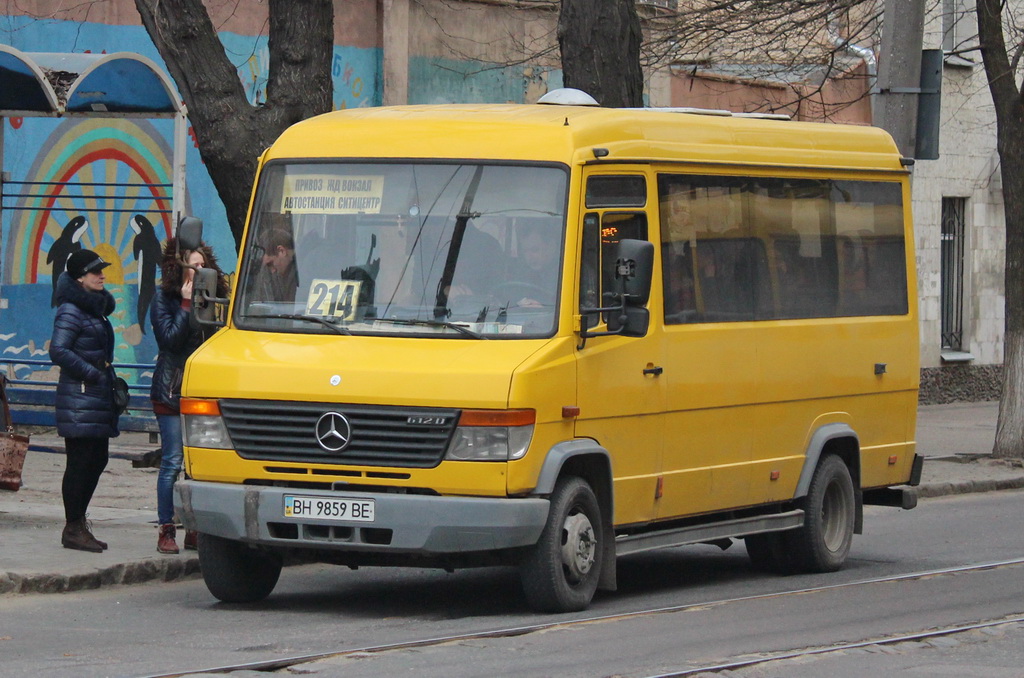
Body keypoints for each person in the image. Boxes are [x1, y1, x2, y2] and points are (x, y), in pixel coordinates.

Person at [150, 238, 229, 554]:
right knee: (172, 460)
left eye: (202, 266)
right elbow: (168, 340)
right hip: (172, 389)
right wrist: (186, 303)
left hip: (205, 391)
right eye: (192, 266)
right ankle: (166, 528)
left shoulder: (216, 298)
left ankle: (195, 527)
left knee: (199, 465)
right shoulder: (165, 298)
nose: (198, 272)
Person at [49, 249, 120, 553]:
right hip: (79, 397)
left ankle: (78, 523)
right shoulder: (71, 309)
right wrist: (93, 373)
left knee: (97, 459)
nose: (102, 275)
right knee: (80, 463)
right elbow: (59, 350)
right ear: (79, 278)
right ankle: (73, 527)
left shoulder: (93, 308)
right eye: (95, 271)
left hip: (94, 396)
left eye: (102, 270)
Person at [253, 228, 298, 302]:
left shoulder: (303, 274)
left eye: (271, 264)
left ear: (281, 251)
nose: (272, 271)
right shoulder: (290, 272)